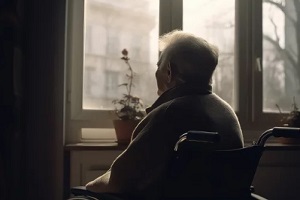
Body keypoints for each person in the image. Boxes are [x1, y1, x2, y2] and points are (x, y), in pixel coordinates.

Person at [85, 30, 244, 199]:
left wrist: (88, 186)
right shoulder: (227, 113)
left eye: (158, 65)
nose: (156, 72)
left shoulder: (169, 114)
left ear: (168, 72)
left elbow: (119, 182)